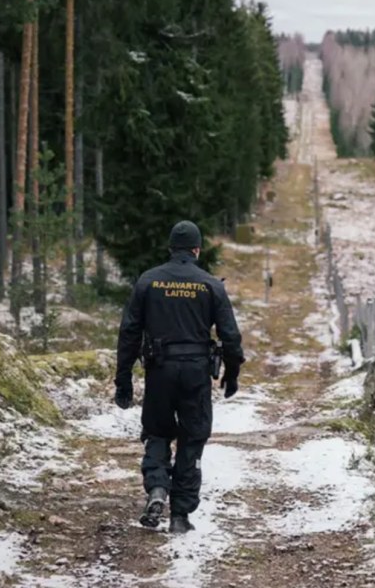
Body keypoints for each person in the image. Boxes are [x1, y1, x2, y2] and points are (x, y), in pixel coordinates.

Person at [113, 220, 244, 534]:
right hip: (196, 373)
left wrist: (124, 378)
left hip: (159, 370)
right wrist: (232, 373)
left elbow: (129, 332)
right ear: (197, 250)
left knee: (157, 432)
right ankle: (180, 515)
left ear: (171, 248)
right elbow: (230, 337)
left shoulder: (148, 281)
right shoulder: (212, 285)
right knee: (192, 438)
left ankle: (157, 488)